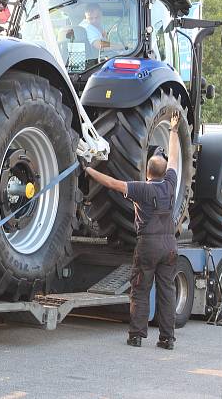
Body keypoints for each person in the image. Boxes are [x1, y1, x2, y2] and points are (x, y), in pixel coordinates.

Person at [82, 112, 181, 350]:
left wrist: (88, 170)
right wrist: (174, 131)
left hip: (148, 245)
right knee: (167, 292)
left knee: (140, 289)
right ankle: (167, 339)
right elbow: (176, 158)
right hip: (170, 245)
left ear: (148, 173)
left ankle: (136, 335)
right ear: (164, 172)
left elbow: (112, 183)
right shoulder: (170, 184)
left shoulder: (141, 189)